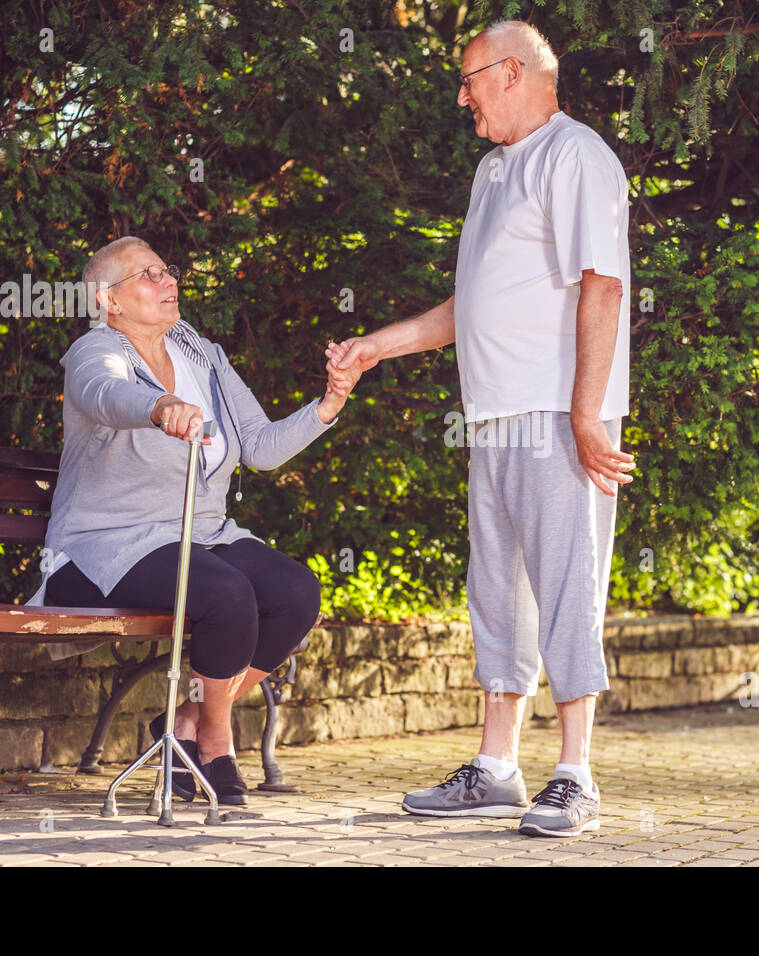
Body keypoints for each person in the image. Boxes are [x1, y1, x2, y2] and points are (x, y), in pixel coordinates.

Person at [327, 19, 633, 837]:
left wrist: (583, 413)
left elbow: (602, 286)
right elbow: (476, 307)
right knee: (497, 593)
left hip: (556, 413)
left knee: (569, 586)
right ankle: (498, 768)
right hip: (492, 415)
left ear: (512, 72)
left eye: (468, 80)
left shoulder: (578, 156)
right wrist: (376, 347)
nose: (460, 96)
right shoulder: (495, 172)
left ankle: (575, 775)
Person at [28, 235, 360, 806]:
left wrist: (328, 404)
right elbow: (105, 394)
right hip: (106, 545)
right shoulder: (96, 350)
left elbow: (259, 446)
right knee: (227, 593)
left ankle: (185, 721)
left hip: (200, 532)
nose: (168, 281)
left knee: (294, 591)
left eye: (167, 270)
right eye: (148, 275)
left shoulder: (203, 354)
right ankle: (215, 738)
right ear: (109, 300)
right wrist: (157, 407)